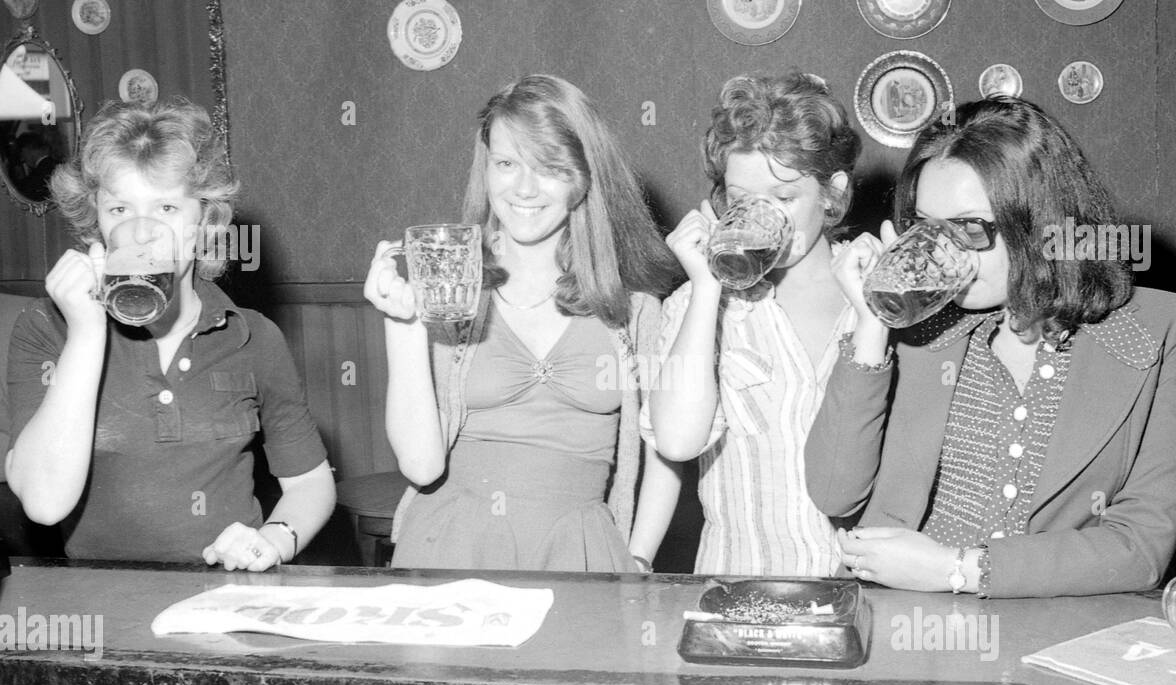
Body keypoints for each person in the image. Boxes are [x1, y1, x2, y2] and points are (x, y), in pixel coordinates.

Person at [806, 96, 1176, 598]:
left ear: (1040, 222)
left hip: (1056, 635)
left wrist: (957, 569)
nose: (942, 253)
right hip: (901, 626)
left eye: (971, 228)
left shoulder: (1159, 327)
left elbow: (1141, 548)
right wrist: (871, 324)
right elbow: (835, 493)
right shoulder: (914, 323)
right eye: (926, 226)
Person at [366, 74, 682, 573]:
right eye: (507, 163)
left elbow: (667, 453)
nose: (524, 189)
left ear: (584, 176)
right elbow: (421, 466)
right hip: (448, 547)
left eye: (550, 168)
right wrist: (400, 323)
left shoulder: (638, 310)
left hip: (581, 552)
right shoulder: (446, 289)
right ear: (485, 168)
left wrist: (638, 555)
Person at [4, 98, 335, 569]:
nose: (141, 234)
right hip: (99, 610)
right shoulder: (47, 329)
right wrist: (86, 333)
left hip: (225, 597)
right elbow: (43, 502)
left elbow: (309, 483)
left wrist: (275, 540)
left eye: (165, 207)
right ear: (94, 220)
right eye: (119, 208)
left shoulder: (252, 336)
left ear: (203, 220)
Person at [646, 71, 863, 577]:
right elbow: (677, 443)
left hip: (867, 600)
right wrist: (706, 287)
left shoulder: (881, 290)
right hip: (738, 591)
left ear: (832, 193)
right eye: (745, 200)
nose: (767, 216)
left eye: (785, 197)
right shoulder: (695, 308)